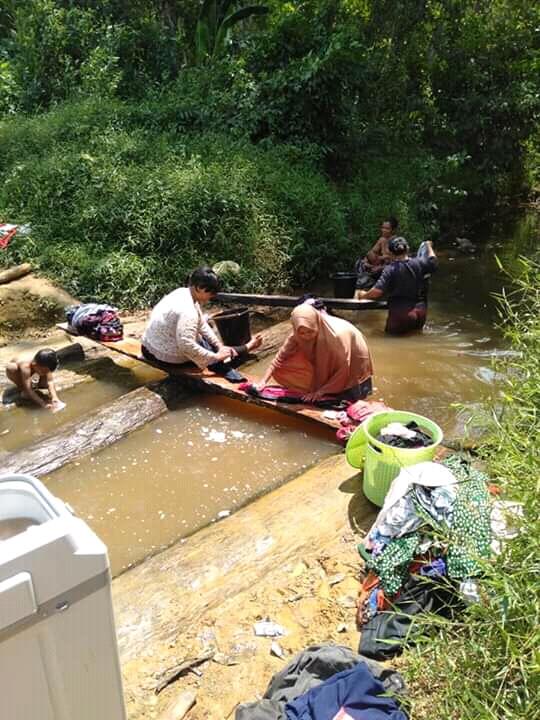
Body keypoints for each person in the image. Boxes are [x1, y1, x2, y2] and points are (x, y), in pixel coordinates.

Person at [141, 266, 262, 373]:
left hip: (147, 346)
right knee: (214, 359)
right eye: (211, 292)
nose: (212, 296)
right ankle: (246, 347)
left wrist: (218, 345)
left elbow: (202, 324)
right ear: (199, 287)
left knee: (207, 340)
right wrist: (216, 357)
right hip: (161, 356)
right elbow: (187, 345)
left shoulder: (182, 292)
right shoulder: (188, 311)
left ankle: (239, 348)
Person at [255, 303, 373, 403]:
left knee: (350, 397)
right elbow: (279, 359)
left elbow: (344, 369)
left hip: (353, 357)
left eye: (310, 331)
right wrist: (263, 381)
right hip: (333, 353)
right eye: (302, 333)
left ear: (316, 324)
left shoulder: (336, 336)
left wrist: (321, 392)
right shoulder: (297, 333)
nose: (306, 336)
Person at [355, 237, 437, 335]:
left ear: (390, 253)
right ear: (408, 249)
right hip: (420, 313)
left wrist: (363, 295)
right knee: (415, 339)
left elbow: (377, 292)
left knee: (389, 341)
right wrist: (428, 246)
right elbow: (432, 259)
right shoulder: (420, 263)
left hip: (401, 315)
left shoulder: (390, 269)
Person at [355, 217, 399, 287]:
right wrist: (366, 262)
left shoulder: (396, 241)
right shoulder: (382, 240)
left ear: (393, 230)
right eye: (383, 228)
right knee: (360, 262)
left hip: (389, 268)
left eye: (387, 228)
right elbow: (370, 253)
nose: (384, 230)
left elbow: (395, 261)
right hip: (376, 266)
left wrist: (380, 267)